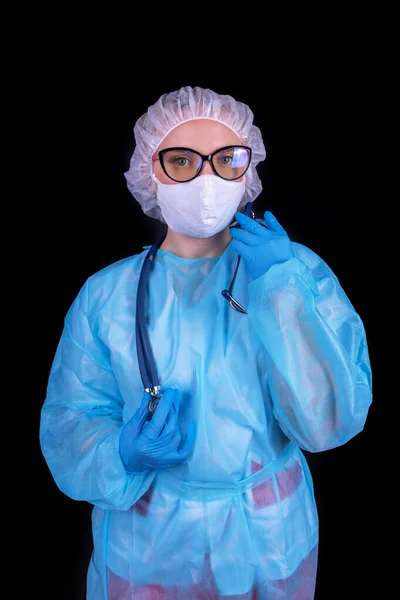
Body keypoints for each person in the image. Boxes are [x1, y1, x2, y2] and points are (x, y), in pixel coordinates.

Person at [39, 86, 373, 600]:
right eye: (182, 161)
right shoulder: (108, 294)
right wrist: (119, 454)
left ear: (249, 169)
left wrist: (281, 290)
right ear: (151, 171)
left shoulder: (293, 272)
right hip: (150, 539)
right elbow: (71, 421)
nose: (207, 180)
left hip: (267, 534)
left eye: (226, 160)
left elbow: (329, 420)